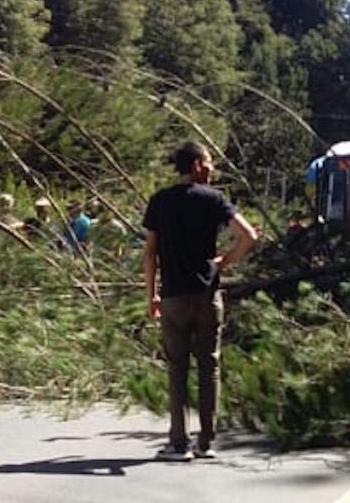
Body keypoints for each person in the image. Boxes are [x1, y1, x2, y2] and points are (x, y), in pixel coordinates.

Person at [142, 141, 258, 461]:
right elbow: (249, 236)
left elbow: (150, 253)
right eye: (208, 163)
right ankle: (206, 441)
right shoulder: (214, 199)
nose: (211, 169)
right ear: (195, 166)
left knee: (177, 368)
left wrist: (151, 293)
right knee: (210, 366)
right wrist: (224, 261)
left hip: (173, 297)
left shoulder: (160, 202)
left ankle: (179, 442)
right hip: (207, 294)